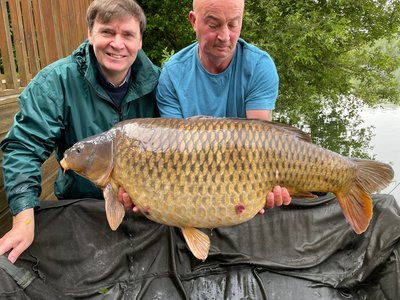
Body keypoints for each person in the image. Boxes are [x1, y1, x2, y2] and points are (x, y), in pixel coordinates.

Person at [0, 0, 159, 264]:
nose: (117, 44)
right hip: (78, 208)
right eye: (107, 32)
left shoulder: (157, 83)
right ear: (90, 34)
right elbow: (23, 148)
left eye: (128, 35)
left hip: (141, 207)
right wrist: (23, 218)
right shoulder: (56, 82)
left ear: (140, 40)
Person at [155, 0, 291, 210]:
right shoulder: (172, 74)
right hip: (190, 187)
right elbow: (176, 158)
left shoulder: (259, 67)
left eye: (233, 24)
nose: (225, 36)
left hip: (247, 184)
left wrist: (270, 187)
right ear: (194, 21)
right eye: (214, 24)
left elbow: (262, 149)